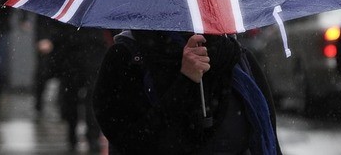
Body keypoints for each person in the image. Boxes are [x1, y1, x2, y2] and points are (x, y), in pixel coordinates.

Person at [94, 30, 282, 155]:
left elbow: (269, 140)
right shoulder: (126, 59)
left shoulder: (237, 59)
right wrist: (185, 82)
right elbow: (131, 141)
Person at [38, 17, 108, 152]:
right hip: (74, 54)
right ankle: (77, 135)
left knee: (89, 98)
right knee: (73, 98)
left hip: (87, 53)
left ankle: (89, 136)